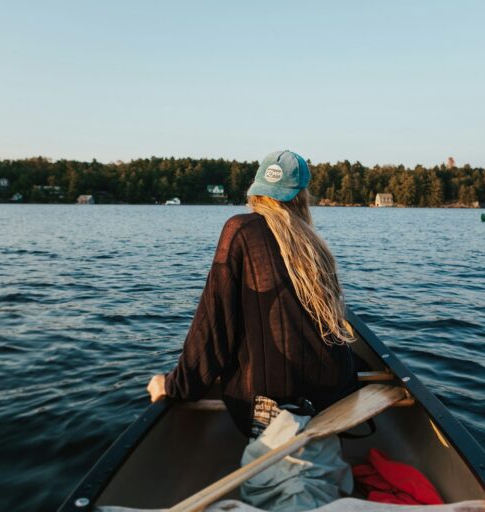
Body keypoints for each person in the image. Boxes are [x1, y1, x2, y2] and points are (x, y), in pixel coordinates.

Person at [147, 149, 357, 434]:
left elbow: (214, 327)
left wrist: (175, 385)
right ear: (302, 196)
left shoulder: (241, 230)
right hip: (334, 394)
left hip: (270, 406)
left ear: (256, 192)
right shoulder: (315, 246)